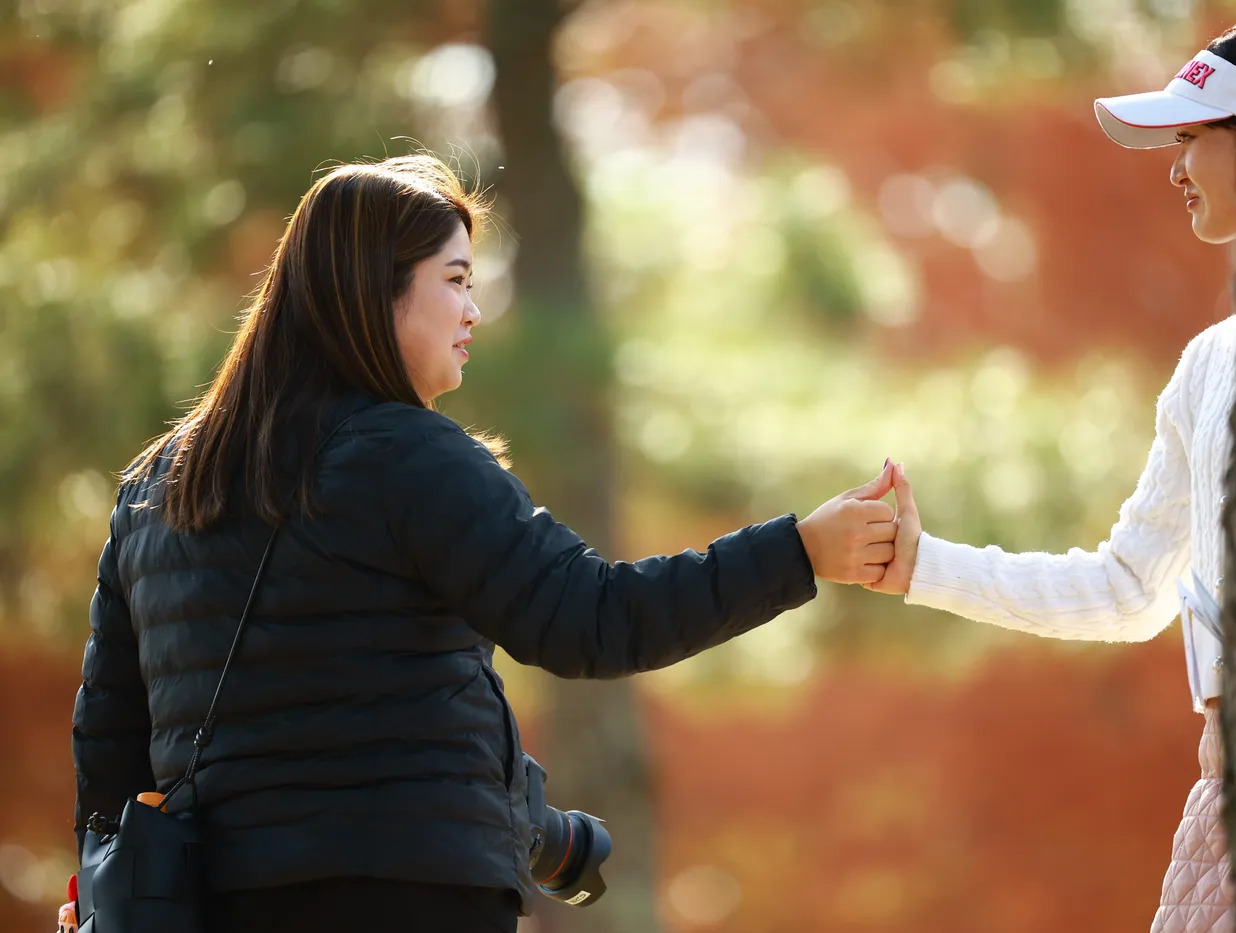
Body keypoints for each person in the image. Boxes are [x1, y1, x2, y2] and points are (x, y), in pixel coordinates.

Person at [71, 154, 902, 933]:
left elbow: (109, 734)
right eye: (456, 280)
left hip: (213, 898)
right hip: (409, 888)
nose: (474, 310)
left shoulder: (154, 485)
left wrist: (105, 884)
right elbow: (592, 618)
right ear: (374, 290)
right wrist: (800, 552)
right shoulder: (408, 455)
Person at [870, 24, 1236, 933]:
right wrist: (923, 565)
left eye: (1192, 136)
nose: (1174, 167)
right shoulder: (1208, 365)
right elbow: (1126, 588)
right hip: (1233, 796)